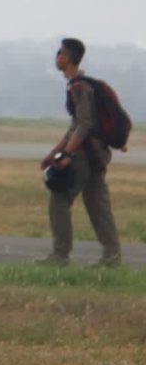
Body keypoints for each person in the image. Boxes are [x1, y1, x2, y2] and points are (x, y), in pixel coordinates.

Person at [44, 37, 122, 268]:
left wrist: (66, 154)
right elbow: (75, 124)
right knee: (99, 206)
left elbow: (84, 124)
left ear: (67, 58)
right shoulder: (84, 85)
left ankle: (60, 255)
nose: (57, 57)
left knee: (58, 200)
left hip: (83, 155)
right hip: (96, 155)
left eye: (59, 53)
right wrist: (55, 151)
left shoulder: (78, 87)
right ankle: (112, 257)